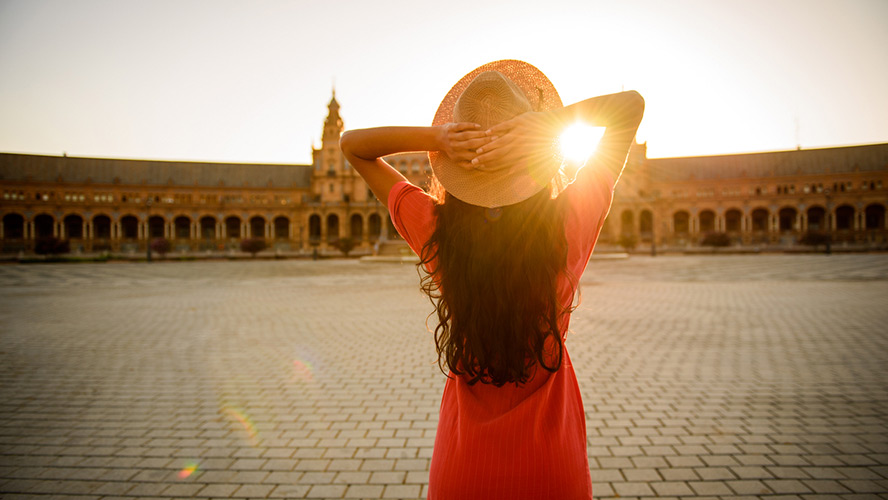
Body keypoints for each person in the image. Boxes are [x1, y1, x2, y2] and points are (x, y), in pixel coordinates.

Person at [340, 60, 644, 499]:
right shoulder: (569, 225)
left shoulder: (437, 232)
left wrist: (437, 138)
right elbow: (630, 106)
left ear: (455, 167)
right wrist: (545, 124)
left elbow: (353, 145)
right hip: (551, 469)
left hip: (463, 471)